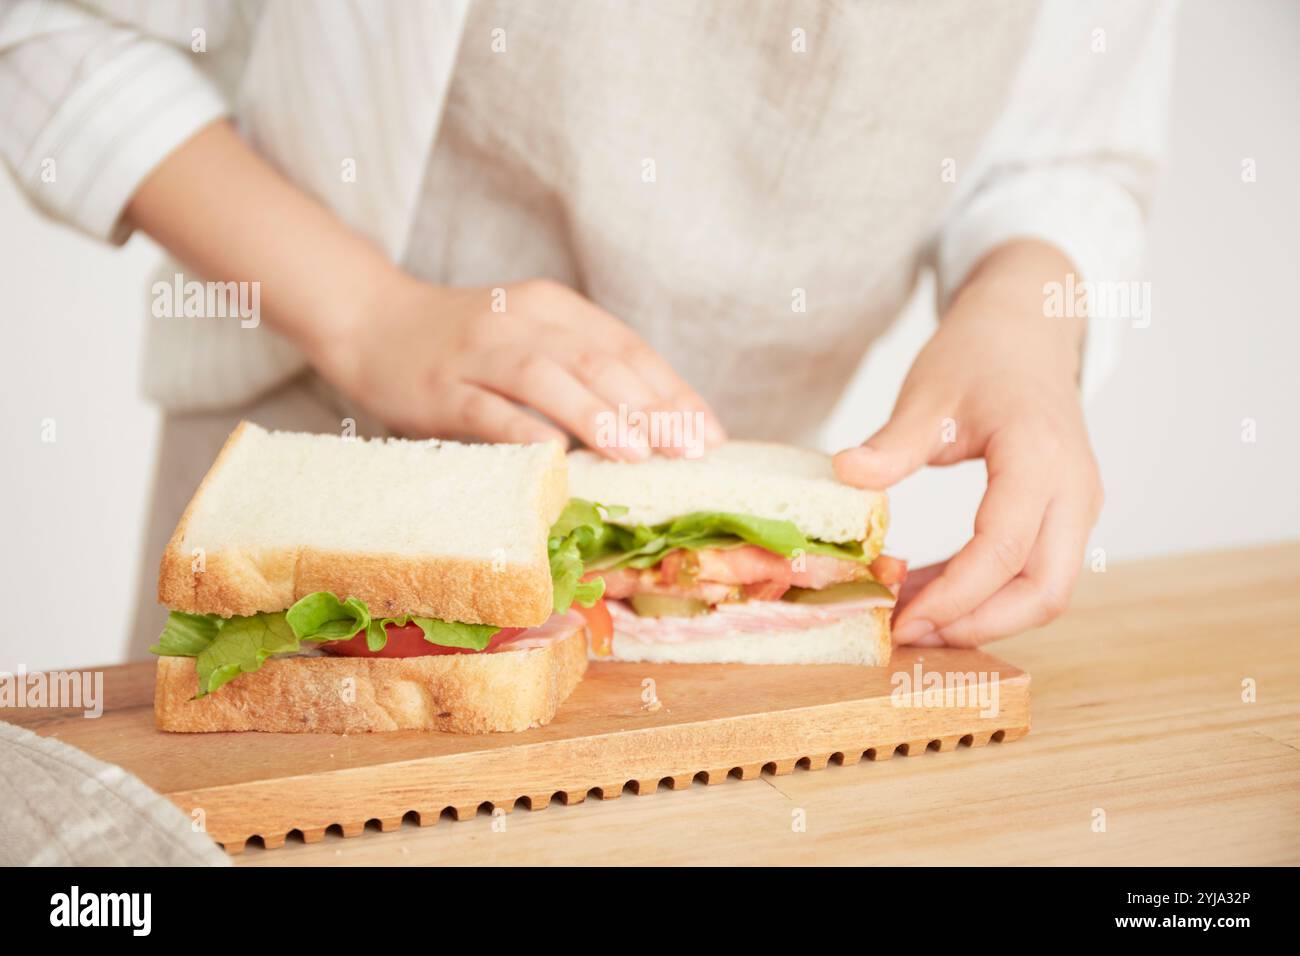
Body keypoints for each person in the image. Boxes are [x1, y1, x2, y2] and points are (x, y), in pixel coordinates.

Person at [0, 0, 1172, 655]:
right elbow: (45, 27)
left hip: (721, 589)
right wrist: (367, 313)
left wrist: (1024, 322)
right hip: (325, 442)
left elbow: (1062, 157)